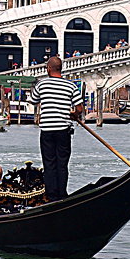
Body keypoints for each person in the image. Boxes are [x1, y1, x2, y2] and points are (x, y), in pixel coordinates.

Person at [30, 56, 84, 202]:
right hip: (63, 129)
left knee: (49, 163)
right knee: (62, 163)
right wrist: (74, 114)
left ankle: (51, 196)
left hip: (47, 130)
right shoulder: (71, 86)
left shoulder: (42, 84)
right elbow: (79, 108)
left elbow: (33, 100)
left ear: (48, 69)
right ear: (61, 69)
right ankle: (62, 195)